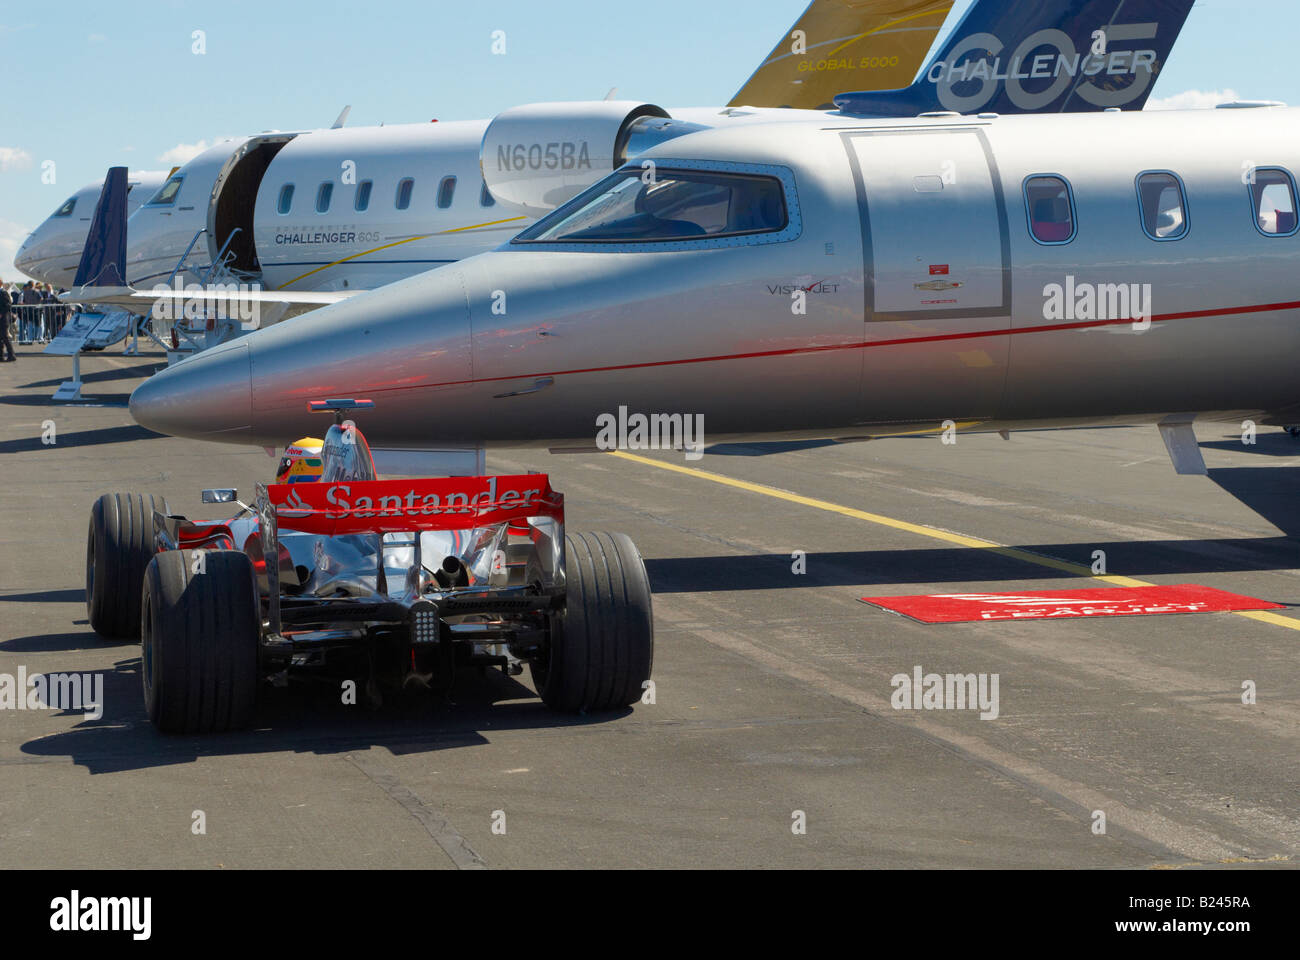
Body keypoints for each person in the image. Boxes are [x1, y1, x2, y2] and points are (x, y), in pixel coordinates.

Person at [0, 278, 15, 361]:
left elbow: (8, 305)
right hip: (2, 319)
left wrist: (1, 313)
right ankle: (1, 356)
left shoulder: (3, 292)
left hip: (4, 319)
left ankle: (11, 355)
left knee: (5, 337)